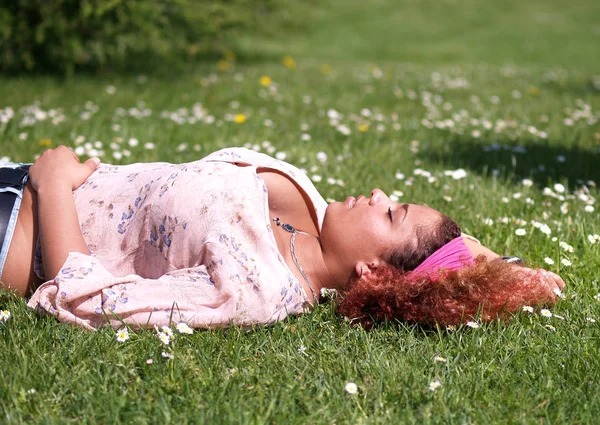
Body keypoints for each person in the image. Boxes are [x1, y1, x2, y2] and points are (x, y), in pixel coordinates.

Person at [0, 146, 564, 330]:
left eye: (391, 213)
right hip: (20, 172)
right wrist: (494, 267)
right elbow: (444, 256)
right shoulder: (309, 208)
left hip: (13, 232)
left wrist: (51, 185)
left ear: (372, 272)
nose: (376, 193)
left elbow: (95, 300)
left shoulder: (259, 289)